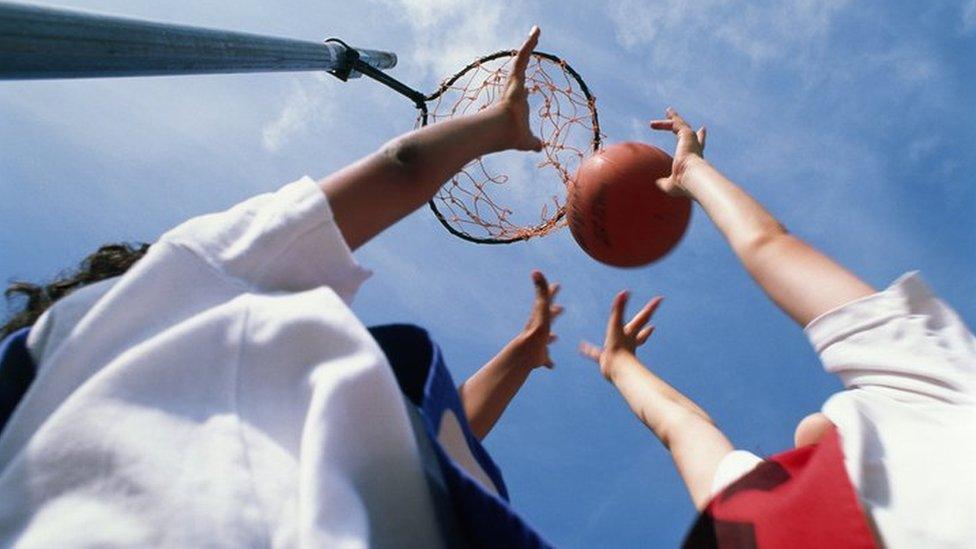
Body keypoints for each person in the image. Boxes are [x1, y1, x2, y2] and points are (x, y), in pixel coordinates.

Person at [0, 27, 559, 547]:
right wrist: (497, 123)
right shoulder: (176, 282)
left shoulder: (33, 437)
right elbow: (401, 168)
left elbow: (428, 441)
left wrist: (521, 354)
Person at [580, 108, 976, 547]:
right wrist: (692, 171)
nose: (806, 430)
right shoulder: (949, 400)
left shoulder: (758, 525)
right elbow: (768, 246)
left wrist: (619, 367)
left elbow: (684, 431)